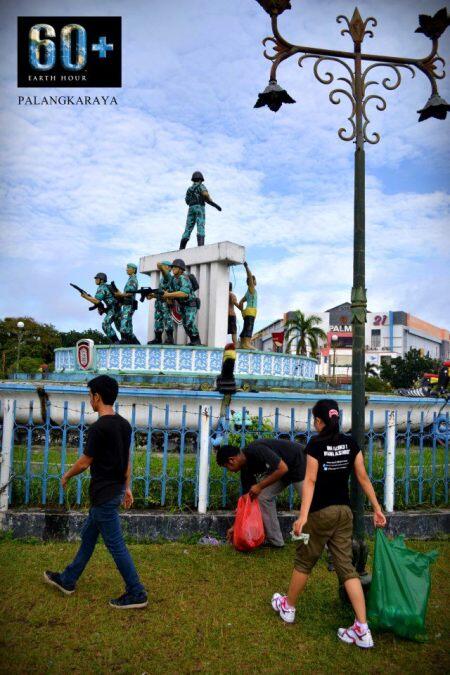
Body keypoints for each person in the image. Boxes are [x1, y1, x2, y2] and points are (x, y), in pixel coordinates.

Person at [271, 399, 386, 649]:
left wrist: (303, 516)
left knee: (304, 560)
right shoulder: (350, 443)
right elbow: (363, 478)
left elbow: (309, 481)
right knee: (346, 568)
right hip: (344, 513)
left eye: (315, 419)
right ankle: (362, 629)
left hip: (320, 513)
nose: (314, 423)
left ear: (320, 421)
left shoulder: (316, 444)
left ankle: (288, 607)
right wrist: (377, 508)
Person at [44, 375, 148, 609]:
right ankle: (68, 580)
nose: (89, 399)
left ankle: (137, 592)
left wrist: (66, 475)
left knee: (116, 545)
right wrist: (127, 487)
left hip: (103, 495)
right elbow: (126, 460)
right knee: (89, 537)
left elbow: (84, 462)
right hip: (113, 491)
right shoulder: (124, 425)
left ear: (97, 397)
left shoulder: (99, 428)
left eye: (90, 395)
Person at [216, 438, 305, 547]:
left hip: (299, 462)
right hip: (284, 470)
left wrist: (259, 486)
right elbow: (247, 500)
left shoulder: (256, 450)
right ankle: (276, 542)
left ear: (231, 460)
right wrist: (236, 526)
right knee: (263, 497)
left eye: (227, 467)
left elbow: (282, 468)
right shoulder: (245, 470)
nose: (230, 471)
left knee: (310, 503)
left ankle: (323, 540)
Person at [162, 258, 201, 346]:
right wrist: (168, 297)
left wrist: (168, 295)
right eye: (172, 267)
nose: (173, 269)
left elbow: (184, 293)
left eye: (175, 267)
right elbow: (171, 291)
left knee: (189, 323)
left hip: (191, 305)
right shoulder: (173, 279)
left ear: (180, 269)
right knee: (185, 324)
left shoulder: (184, 278)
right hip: (182, 305)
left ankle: (196, 340)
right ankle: (193, 341)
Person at [179, 171, 221, 249]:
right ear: (200, 179)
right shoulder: (201, 186)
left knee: (188, 227)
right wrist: (209, 199)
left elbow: (187, 201)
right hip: (199, 207)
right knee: (200, 225)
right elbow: (205, 194)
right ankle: (200, 247)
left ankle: (181, 248)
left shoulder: (189, 189)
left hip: (191, 209)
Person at [81, 273, 120, 344]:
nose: (95, 280)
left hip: (113, 309)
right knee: (122, 330)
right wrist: (101, 308)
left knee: (105, 324)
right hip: (117, 309)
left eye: (97, 279)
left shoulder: (102, 288)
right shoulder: (107, 286)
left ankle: (116, 342)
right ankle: (131, 343)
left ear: (101, 280)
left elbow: (97, 300)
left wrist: (85, 297)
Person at [147, 261, 175, 345]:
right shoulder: (162, 279)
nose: (163, 268)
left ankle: (170, 338)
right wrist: (153, 295)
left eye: (165, 266)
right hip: (159, 302)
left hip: (165, 302)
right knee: (158, 320)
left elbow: (165, 273)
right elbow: (160, 293)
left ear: (169, 268)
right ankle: (158, 338)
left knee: (167, 319)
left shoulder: (169, 276)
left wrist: (161, 268)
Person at [113, 263, 140, 345]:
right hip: (127, 304)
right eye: (127, 267)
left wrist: (120, 295)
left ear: (134, 270)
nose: (127, 269)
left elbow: (130, 293)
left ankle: (124, 340)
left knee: (124, 322)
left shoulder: (133, 280)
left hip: (129, 304)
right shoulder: (130, 279)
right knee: (128, 326)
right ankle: (136, 344)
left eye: (129, 268)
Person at [239, 262, 257, 350]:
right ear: (252, 282)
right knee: (249, 327)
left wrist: (242, 312)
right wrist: (246, 266)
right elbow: (249, 276)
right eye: (254, 280)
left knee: (246, 326)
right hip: (251, 311)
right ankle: (247, 343)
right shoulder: (252, 288)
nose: (255, 281)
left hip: (247, 311)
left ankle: (242, 343)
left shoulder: (247, 293)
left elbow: (240, 302)